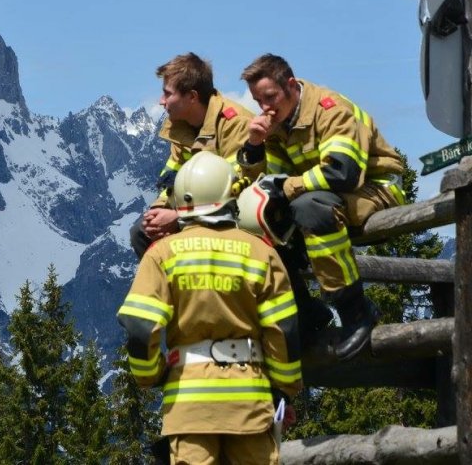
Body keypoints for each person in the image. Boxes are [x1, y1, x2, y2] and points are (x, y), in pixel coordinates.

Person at [117, 152, 301, 464]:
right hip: (250, 402)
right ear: (229, 194)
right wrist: (284, 388)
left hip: (189, 406)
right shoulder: (260, 252)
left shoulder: (162, 253)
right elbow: (283, 329)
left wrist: (151, 375)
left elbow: (139, 325)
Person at [238, 54, 405, 360]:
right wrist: (254, 146)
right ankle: (307, 312)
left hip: (376, 188)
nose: (265, 108)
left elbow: (343, 173)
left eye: (270, 97)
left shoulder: (331, 109)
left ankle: (356, 313)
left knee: (310, 208)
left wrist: (288, 187)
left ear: (291, 85)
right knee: (264, 221)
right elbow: (272, 182)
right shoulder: (276, 125)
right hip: (326, 193)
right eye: (258, 101)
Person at [130, 53, 252, 256]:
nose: (161, 101)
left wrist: (178, 216)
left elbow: (235, 188)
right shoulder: (178, 127)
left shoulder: (236, 124)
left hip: (230, 213)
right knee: (140, 232)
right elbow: (171, 181)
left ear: (192, 97)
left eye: (168, 94)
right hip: (191, 211)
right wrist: (157, 212)